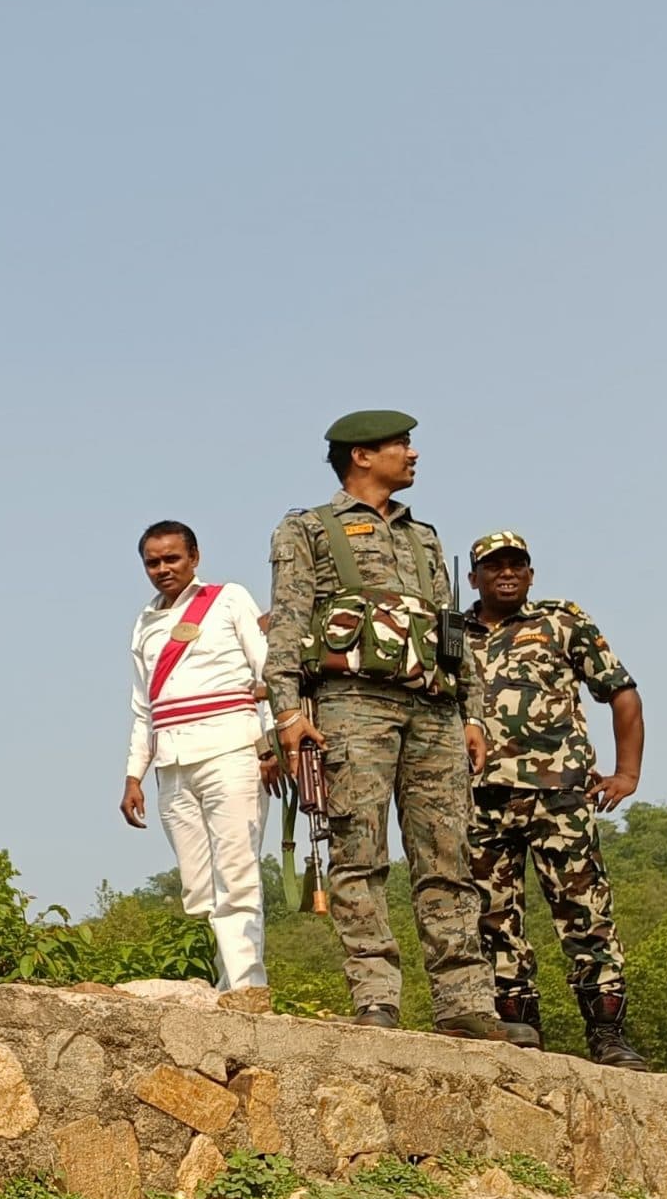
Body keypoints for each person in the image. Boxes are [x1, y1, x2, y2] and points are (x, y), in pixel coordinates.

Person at [267, 412, 503, 1038]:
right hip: (352, 706)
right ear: (362, 456)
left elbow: (453, 632)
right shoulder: (308, 529)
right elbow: (288, 623)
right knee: (359, 854)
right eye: (401, 444)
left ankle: (464, 1005)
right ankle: (376, 997)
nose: (413, 453)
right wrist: (288, 714)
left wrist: (472, 713)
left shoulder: (424, 538)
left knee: (448, 856)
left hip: (434, 711)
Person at [462, 532, 648, 1067]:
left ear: (531, 573)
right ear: (473, 577)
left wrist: (627, 772)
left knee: (586, 917)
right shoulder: (452, 633)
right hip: (480, 799)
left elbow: (620, 690)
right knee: (493, 922)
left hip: (558, 798)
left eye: (517, 564)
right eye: (493, 566)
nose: (506, 573)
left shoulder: (560, 622)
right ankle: (521, 1035)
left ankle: (608, 1036)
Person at [117, 522, 278, 996]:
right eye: (153, 562)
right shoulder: (144, 623)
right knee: (199, 885)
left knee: (237, 873)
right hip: (171, 763)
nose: (163, 569)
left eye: (172, 559)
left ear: (194, 557)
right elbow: (143, 708)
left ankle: (247, 987)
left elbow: (267, 672)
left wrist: (270, 743)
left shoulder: (227, 599)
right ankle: (227, 975)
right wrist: (133, 775)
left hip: (231, 750)